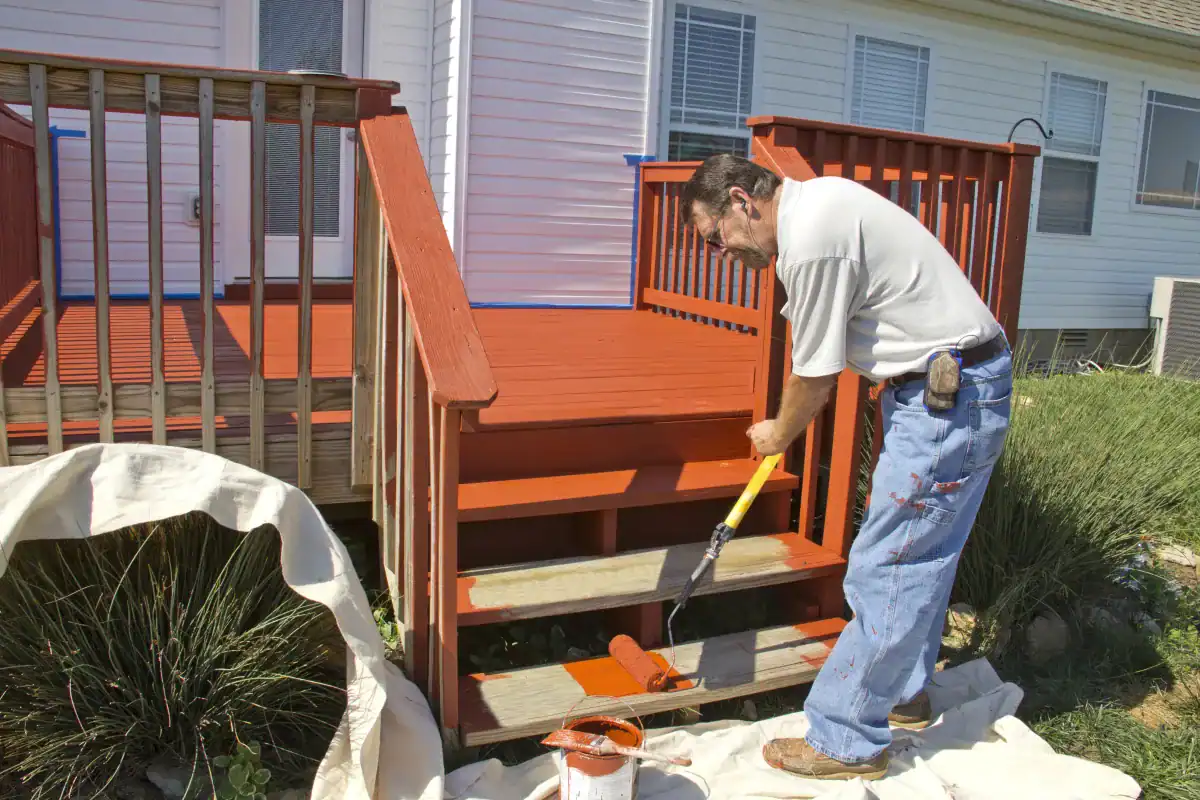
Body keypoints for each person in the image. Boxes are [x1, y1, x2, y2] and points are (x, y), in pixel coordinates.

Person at [679, 154, 1013, 781]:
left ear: (742, 200)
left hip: (948, 399)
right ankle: (902, 694)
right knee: (920, 556)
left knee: (888, 565)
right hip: (952, 390)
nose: (720, 251)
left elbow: (814, 375)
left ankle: (846, 739)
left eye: (714, 235)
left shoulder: (813, 240)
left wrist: (778, 433)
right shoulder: (817, 208)